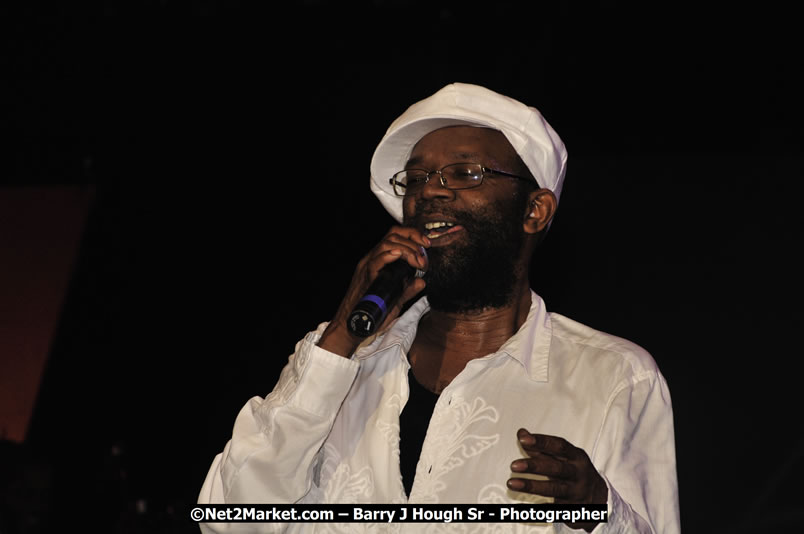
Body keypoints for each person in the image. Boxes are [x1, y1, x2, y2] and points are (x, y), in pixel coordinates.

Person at [198, 83, 680, 533]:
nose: (429, 190)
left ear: (535, 210)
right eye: (415, 178)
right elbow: (228, 520)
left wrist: (600, 511)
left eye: (465, 173)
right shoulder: (338, 360)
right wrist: (341, 336)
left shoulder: (613, 377)